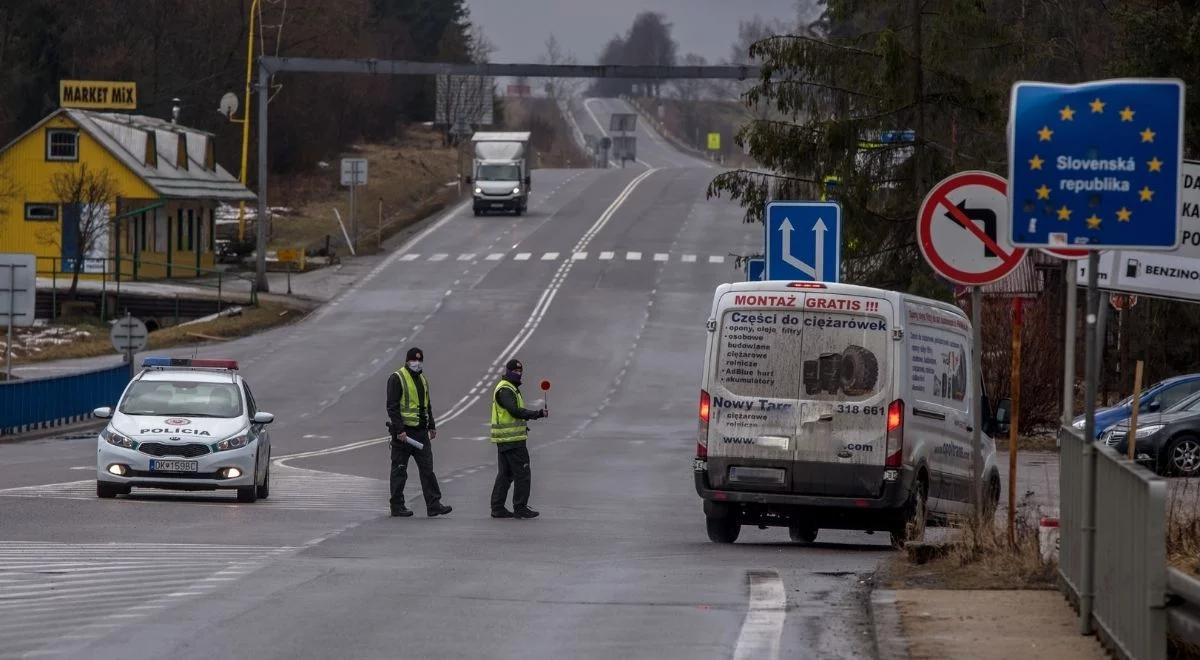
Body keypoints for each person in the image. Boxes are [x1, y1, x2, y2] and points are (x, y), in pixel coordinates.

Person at [386, 347, 452, 518]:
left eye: (420, 360)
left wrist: (432, 425)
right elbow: (392, 407)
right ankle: (397, 506)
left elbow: (426, 405)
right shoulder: (397, 378)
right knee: (400, 470)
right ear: (407, 361)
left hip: (421, 433)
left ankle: (434, 504)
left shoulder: (422, 379)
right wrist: (400, 430)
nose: (417, 363)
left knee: (427, 470)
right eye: (414, 360)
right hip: (403, 435)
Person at [489, 358, 548, 519]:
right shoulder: (506, 390)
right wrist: (537, 414)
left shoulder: (509, 388)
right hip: (512, 441)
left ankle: (497, 508)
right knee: (522, 474)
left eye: (520, 371)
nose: (518, 373)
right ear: (508, 372)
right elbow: (514, 411)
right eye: (515, 371)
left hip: (506, 440)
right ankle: (520, 507)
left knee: (505, 474)